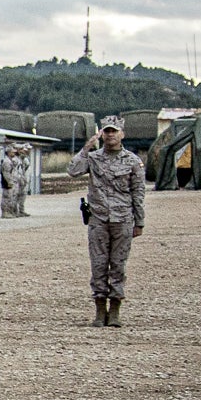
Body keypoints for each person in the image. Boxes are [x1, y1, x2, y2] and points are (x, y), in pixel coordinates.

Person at [68, 115, 145, 327]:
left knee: (118, 265)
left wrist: (139, 222)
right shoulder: (93, 158)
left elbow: (138, 192)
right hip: (99, 219)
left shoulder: (132, 161)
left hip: (122, 219)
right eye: (107, 131)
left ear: (122, 134)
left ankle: (115, 309)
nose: (111, 135)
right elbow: (73, 171)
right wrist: (87, 147)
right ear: (102, 134)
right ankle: (100, 309)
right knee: (98, 264)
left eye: (114, 131)